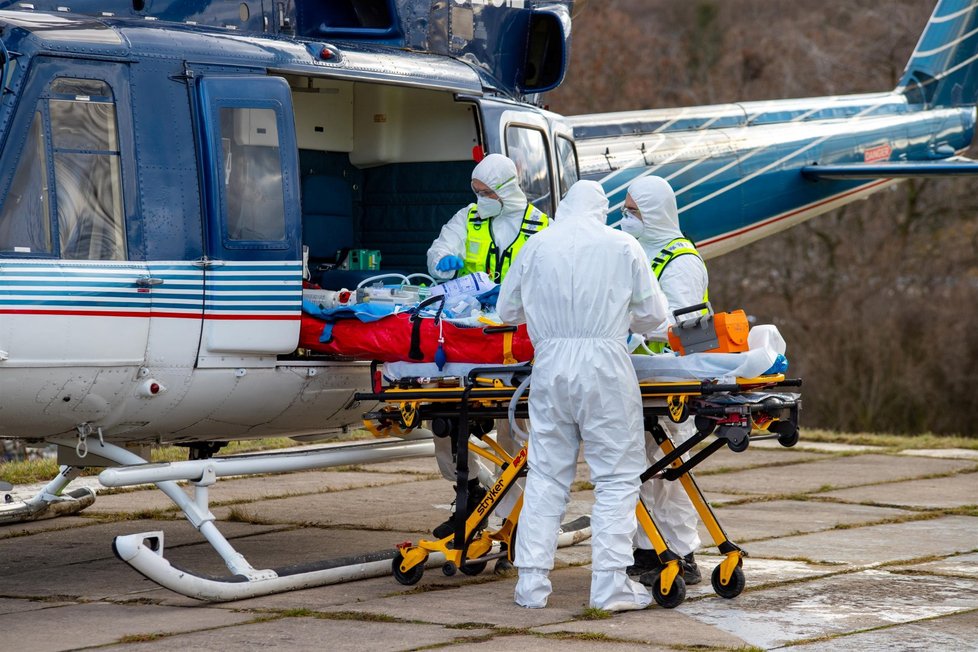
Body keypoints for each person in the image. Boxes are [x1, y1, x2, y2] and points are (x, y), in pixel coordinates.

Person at [497, 180, 669, 611]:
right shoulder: (622, 245)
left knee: (547, 474)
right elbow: (655, 318)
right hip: (604, 367)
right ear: (602, 209)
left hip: (550, 365)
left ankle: (531, 586)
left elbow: (505, 312)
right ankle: (610, 585)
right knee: (615, 478)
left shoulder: (535, 246)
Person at [425, 153, 549, 572]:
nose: (481, 199)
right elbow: (441, 247)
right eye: (477, 192)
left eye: (488, 192)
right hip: (470, 335)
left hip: (518, 339)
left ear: (508, 189)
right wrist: (443, 263)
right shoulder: (469, 218)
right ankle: (474, 492)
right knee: (444, 421)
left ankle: (514, 521)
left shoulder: (541, 228)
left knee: (514, 433)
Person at [619, 175, 709, 586]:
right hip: (632, 374)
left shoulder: (681, 260)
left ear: (654, 214)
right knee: (635, 467)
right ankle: (648, 548)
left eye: (632, 210)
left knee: (670, 470)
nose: (625, 217)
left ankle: (682, 551)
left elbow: (688, 324)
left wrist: (638, 328)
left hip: (671, 375)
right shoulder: (629, 251)